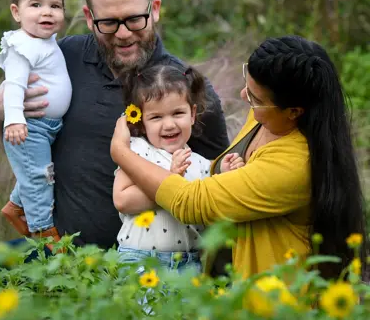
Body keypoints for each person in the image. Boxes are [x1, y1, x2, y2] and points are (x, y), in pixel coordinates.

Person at [0, 0, 229, 251]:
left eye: (135, 19)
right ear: (88, 17)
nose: (124, 34)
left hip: (145, 272)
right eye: (109, 22)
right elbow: (25, 142)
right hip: (58, 257)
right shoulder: (61, 59)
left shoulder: (188, 90)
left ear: (155, 9)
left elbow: (220, 198)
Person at [110, 35, 367, 279]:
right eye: (247, 82)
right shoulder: (263, 119)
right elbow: (226, 185)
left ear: (293, 111)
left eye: (255, 98)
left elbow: (191, 202)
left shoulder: (294, 163)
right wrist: (224, 170)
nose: (245, 97)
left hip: (272, 294)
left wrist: (120, 152)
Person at [114, 64, 242, 272]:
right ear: (141, 121)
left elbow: (211, 206)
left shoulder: (201, 163)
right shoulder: (136, 153)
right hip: (141, 261)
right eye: (156, 117)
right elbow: (122, 200)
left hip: (190, 262)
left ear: (192, 114)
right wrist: (169, 180)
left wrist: (225, 174)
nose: (169, 124)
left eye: (177, 113)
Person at [0, 0, 71, 249]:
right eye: (36, 5)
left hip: (48, 127)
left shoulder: (46, 41)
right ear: (17, 12)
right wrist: (14, 120)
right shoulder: (21, 45)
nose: (47, 12)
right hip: (30, 127)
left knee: (35, 171)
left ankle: (16, 207)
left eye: (55, 6)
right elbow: (14, 85)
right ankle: (42, 232)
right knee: (41, 178)